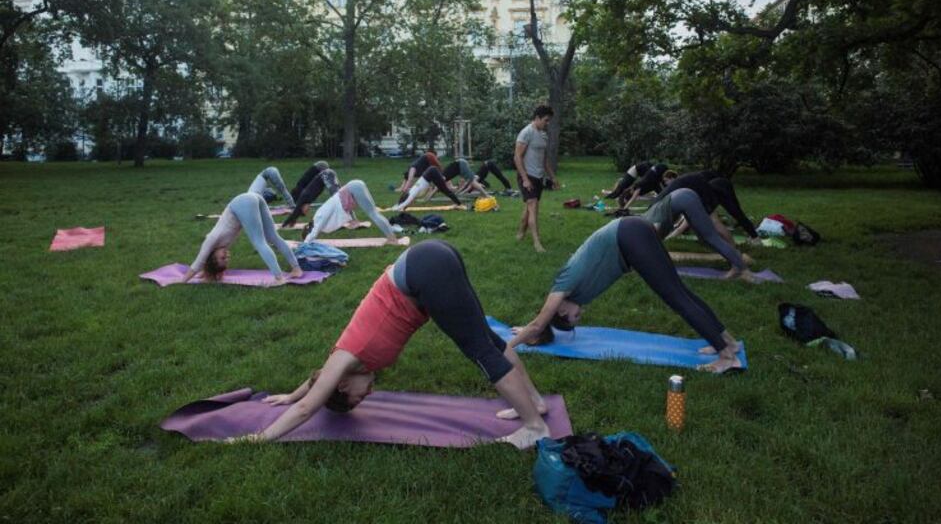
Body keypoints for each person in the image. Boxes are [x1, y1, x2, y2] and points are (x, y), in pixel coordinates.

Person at [235, 241, 552, 448]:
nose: (368, 395)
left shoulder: (345, 359)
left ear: (343, 386)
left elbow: (309, 406)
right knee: (488, 339)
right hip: (429, 259)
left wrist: (257, 438)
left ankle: (534, 427)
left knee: (480, 350)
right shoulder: (343, 364)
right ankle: (534, 402)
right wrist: (291, 394)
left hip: (424, 270)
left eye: (359, 399)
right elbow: (316, 383)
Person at [508, 217, 744, 373]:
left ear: (561, 309)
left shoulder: (563, 285)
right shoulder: (573, 297)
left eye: (575, 317)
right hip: (631, 232)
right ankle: (729, 343)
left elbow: (540, 323)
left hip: (629, 236)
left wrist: (508, 346)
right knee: (681, 294)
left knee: (678, 299)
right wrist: (526, 327)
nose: (581, 313)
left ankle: (726, 357)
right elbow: (541, 323)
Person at [182, 191, 302, 285]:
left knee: (259, 242)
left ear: (212, 257)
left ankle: (279, 278)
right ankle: (296, 269)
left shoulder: (211, 240)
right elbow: (207, 265)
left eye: (222, 257)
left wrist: (182, 281)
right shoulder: (221, 247)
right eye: (227, 258)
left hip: (242, 203)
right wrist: (206, 274)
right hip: (252, 199)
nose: (227, 254)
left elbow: (198, 262)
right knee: (272, 237)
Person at [642, 185, 755, 279]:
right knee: (706, 239)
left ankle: (742, 269)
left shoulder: (646, 226)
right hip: (685, 195)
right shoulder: (645, 221)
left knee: (711, 238)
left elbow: (655, 239)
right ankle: (737, 260)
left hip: (685, 199)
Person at [515, 105, 559, 253]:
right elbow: (517, 157)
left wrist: (552, 177)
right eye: (546, 120)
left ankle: (520, 233)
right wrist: (525, 179)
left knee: (529, 208)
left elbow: (544, 160)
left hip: (539, 177)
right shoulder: (526, 133)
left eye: (549, 121)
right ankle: (536, 242)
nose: (547, 123)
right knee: (533, 207)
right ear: (537, 118)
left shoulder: (543, 135)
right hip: (527, 176)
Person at [302, 179, 400, 244]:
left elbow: (315, 230)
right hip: (354, 187)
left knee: (373, 214)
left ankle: (392, 239)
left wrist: (306, 243)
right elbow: (340, 208)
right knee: (374, 213)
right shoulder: (319, 221)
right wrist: (353, 220)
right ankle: (391, 235)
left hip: (353, 188)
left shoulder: (318, 219)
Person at [391, 166, 463, 211]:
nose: (410, 203)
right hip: (430, 173)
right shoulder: (410, 192)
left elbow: (406, 202)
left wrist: (397, 208)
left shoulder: (412, 194)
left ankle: (459, 203)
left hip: (431, 173)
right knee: (443, 189)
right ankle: (457, 201)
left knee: (445, 190)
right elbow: (404, 200)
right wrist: (399, 206)